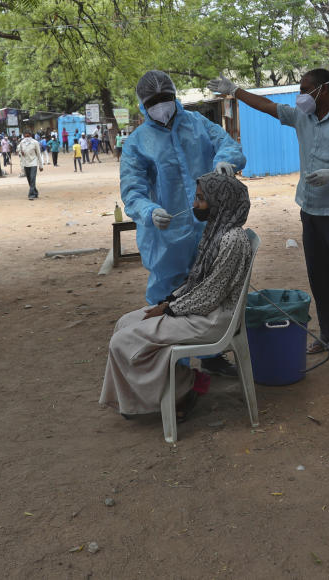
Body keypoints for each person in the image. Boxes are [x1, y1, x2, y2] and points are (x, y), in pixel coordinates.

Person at [209, 69, 329, 353]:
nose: (300, 96)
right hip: (310, 213)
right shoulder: (302, 117)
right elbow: (267, 106)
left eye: (305, 89)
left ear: (326, 90)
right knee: (319, 277)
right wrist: (235, 90)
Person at [122, 70, 245, 377]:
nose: (162, 106)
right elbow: (132, 190)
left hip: (207, 224)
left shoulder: (198, 123)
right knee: (167, 299)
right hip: (165, 234)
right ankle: (176, 369)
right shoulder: (137, 143)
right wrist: (149, 211)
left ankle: (212, 355)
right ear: (142, 105)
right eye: (154, 101)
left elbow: (227, 145)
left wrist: (225, 159)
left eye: (166, 98)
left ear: (175, 97)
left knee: (210, 289)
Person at [100, 172, 252, 420]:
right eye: (196, 198)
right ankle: (145, 396)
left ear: (220, 201)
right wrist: (169, 301)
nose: (194, 205)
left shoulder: (232, 239)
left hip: (212, 319)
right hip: (199, 310)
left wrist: (170, 309)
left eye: (201, 199)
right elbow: (197, 282)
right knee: (123, 325)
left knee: (123, 342)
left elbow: (211, 294)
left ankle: (185, 385)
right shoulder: (217, 230)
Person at [17, 131, 43, 200]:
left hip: (33, 163)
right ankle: (35, 192)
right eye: (25, 136)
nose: (27, 138)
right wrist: (20, 152)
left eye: (28, 136)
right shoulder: (22, 143)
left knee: (32, 178)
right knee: (29, 180)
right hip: (26, 164)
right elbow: (18, 150)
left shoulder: (35, 143)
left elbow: (39, 154)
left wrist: (41, 165)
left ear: (31, 136)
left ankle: (31, 194)